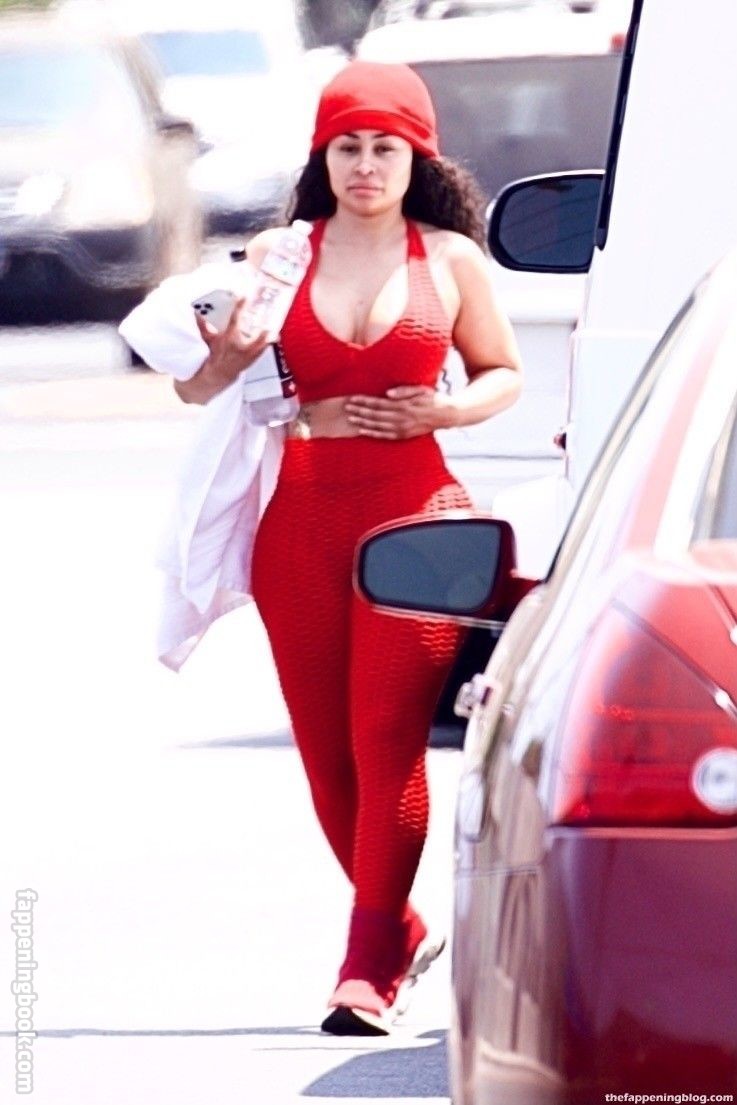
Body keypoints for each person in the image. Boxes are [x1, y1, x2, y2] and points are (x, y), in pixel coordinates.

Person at [174, 60, 523, 1035]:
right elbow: (197, 390)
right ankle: (398, 925)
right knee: (328, 758)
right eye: (347, 147)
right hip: (300, 521)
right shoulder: (278, 255)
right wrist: (226, 358)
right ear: (322, 157)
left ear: (417, 158)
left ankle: (365, 966)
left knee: (386, 738)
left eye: (384, 147)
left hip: (418, 519)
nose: (365, 165)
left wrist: (447, 408)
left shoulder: (449, 259)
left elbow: (502, 372)